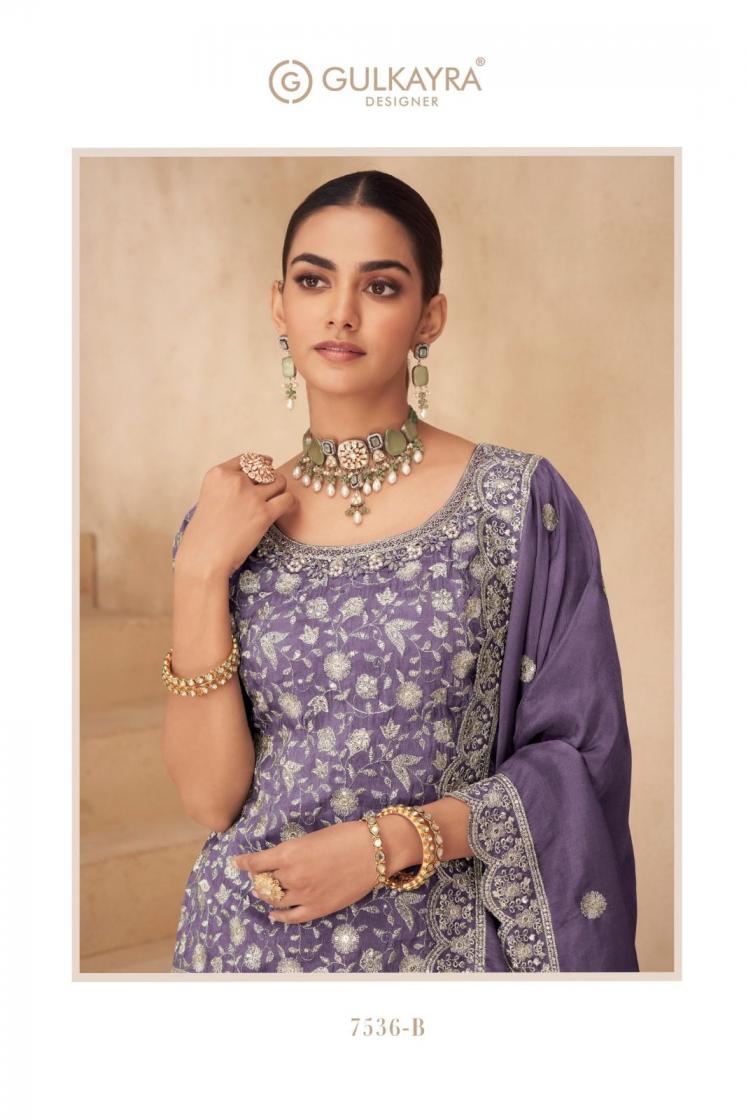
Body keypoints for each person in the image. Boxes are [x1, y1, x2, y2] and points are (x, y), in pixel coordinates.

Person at [161, 169, 639, 974]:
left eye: (380, 286)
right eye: (314, 281)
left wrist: (387, 843)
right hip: (244, 951)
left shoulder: (515, 503)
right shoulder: (225, 522)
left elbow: (581, 755)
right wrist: (199, 572)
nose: (340, 312)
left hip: (443, 963)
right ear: (279, 304)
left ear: (430, 317)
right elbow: (211, 800)